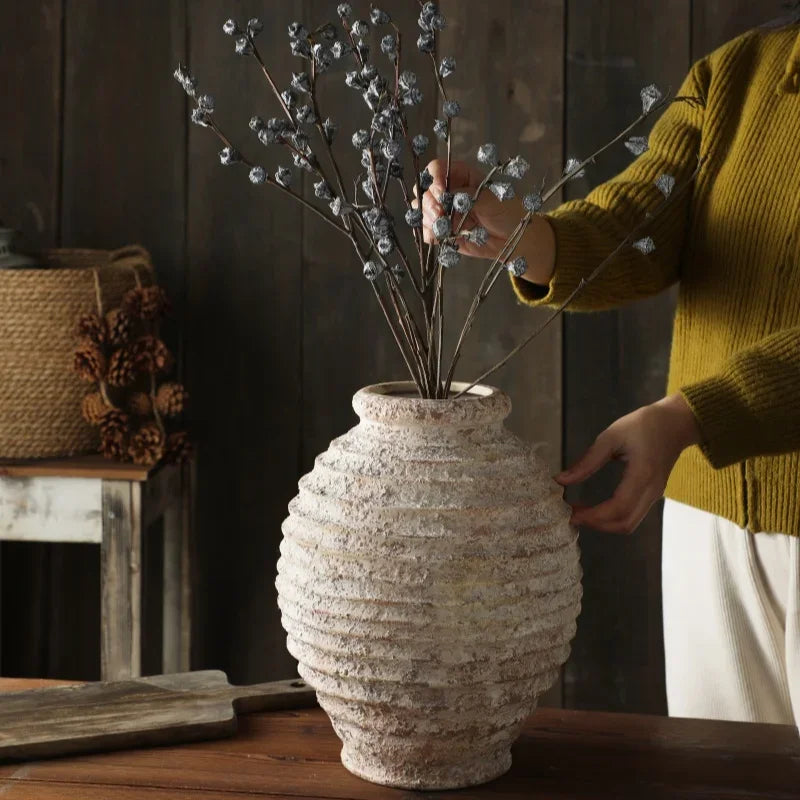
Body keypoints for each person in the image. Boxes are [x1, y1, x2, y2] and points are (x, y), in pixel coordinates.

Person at [418, 20, 800, 726]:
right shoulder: (740, 73)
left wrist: (691, 414)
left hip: (694, 440)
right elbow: (638, 221)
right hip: (709, 519)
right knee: (717, 774)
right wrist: (519, 234)